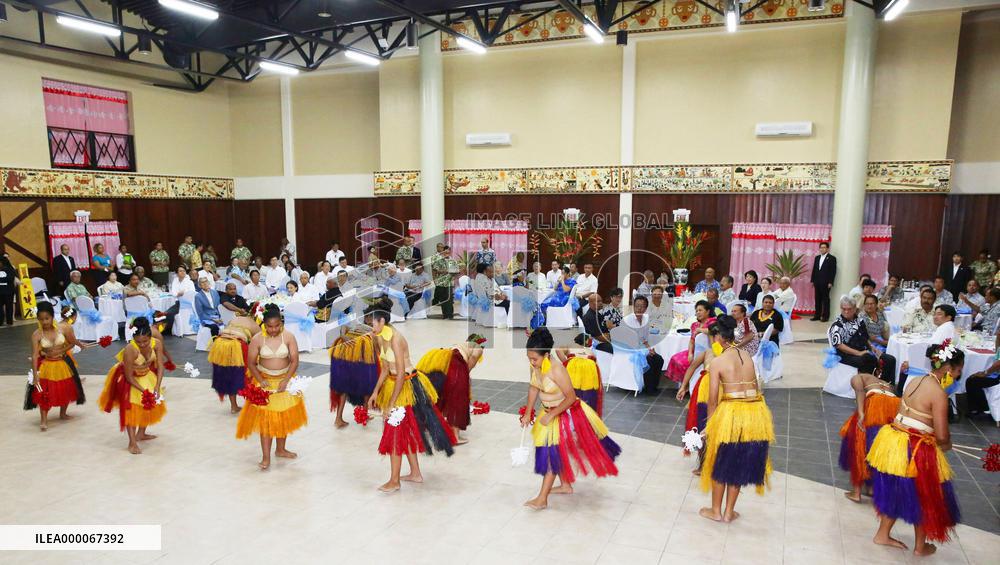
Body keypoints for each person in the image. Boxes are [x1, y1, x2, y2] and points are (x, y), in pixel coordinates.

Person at [867, 343, 963, 556]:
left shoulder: (915, 380)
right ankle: (920, 546)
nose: (958, 376)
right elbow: (942, 436)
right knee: (924, 494)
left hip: (894, 441)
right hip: (915, 447)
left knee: (897, 489)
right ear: (948, 369)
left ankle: (882, 534)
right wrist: (946, 444)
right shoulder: (938, 393)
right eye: (958, 371)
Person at [520, 327, 620, 510]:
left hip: (565, 414)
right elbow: (534, 387)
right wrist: (528, 412)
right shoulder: (535, 366)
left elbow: (571, 397)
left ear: (546, 355)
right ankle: (565, 485)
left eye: (534, 359)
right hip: (548, 412)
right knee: (554, 451)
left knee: (553, 455)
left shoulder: (557, 370)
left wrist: (552, 414)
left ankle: (542, 498)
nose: (532, 362)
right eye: (529, 358)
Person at [365, 299, 456, 492]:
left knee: (395, 432)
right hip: (393, 383)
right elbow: (385, 369)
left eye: (372, 324)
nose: (371, 328)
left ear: (382, 321)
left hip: (406, 385)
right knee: (402, 430)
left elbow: (400, 374)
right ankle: (415, 473)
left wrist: (391, 403)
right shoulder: (379, 337)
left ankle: (394, 481)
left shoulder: (396, 339)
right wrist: (375, 392)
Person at [699, 315, 775, 522]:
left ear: (718, 338)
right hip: (755, 413)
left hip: (731, 412)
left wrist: (709, 426)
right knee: (738, 461)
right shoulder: (747, 356)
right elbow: (756, 386)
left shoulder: (718, 362)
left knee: (721, 461)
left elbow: (712, 399)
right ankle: (728, 512)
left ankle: (716, 511)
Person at [237, 305, 306, 470]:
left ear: (281, 323)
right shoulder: (257, 339)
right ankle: (266, 457)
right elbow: (251, 363)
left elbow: (294, 360)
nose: (273, 329)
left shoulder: (288, 336)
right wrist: (260, 380)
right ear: (264, 325)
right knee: (266, 422)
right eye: (270, 326)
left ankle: (281, 449)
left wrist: (286, 380)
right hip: (265, 381)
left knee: (283, 416)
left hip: (285, 380)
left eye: (276, 326)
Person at [98, 317, 166, 454]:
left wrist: (157, 386)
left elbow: (160, 366)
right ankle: (132, 442)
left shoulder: (157, 344)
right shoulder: (130, 349)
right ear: (133, 338)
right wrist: (144, 391)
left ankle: (141, 433)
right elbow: (128, 376)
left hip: (146, 375)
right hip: (131, 380)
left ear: (150, 337)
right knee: (132, 410)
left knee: (148, 405)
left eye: (145, 341)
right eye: (138, 341)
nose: (142, 344)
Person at [25, 302, 90, 430]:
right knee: (44, 393)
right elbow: (35, 355)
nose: (44, 322)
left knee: (65, 389)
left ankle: (63, 413)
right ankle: (43, 420)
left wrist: (61, 350)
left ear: (52, 316)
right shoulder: (36, 334)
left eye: (47, 318)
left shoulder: (64, 328)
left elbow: (72, 343)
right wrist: (35, 374)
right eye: (41, 319)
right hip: (47, 366)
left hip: (62, 364)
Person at [838, 372, 899, 503]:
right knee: (878, 452)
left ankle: (856, 493)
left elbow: (860, 392)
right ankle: (871, 488)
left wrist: (861, 413)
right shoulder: (886, 384)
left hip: (874, 409)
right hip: (892, 412)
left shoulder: (858, 377)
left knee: (858, 446)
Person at [416, 334, 486, 444]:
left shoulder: (460, 345)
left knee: (439, 394)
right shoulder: (478, 348)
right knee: (458, 399)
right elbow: (469, 364)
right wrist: (463, 379)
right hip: (456, 363)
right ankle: (455, 436)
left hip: (441, 361)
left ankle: (425, 424)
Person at [829, 297, 897, 383]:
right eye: (844, 309)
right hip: (846, 354)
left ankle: (886, 385)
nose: (846, 312)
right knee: (868, 359)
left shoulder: (859, 320)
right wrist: (858, 353)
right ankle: (870, 384)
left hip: (864, 350)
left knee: (890, 359)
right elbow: (839, 345)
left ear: (854, 309)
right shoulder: (838, 324)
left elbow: (865, 338)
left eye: (849, 309)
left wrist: (873, 348)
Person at [328, 321, 379, 429]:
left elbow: (343, 326)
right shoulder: (372, 330)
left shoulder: (359, 326)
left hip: (343, 352)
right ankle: (363, 416)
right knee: (367, 384)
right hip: (356, 353)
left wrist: (343, 335)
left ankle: (339, 418)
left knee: (345, 387)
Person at [208, 312, 260, 413]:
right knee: (248, 374)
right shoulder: (254, 324)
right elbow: (259, 344)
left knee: (229, 375)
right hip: (237, 345)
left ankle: (234, 406)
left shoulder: (234, 320)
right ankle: (251, 404)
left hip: (219, 344)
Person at [624, 296, 666, 395]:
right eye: (637, 306)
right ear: (633, 307)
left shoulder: (646, 320)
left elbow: (645, 339)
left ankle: (654, 386)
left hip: (641, 348)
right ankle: (649, 389)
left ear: (646, 308)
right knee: (648, 360)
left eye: (642, 306)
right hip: (630, 349)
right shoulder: (627, 320)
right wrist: (644, 350)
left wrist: (649, 349)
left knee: (658, 359)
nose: (639, 309)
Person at [666, 300, 716, 384]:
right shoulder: (694, 325)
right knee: (675, 358)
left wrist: (700, 330)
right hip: (695, 350)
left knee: (684, 363)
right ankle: (685, 384)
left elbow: (713, 331)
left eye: (700, 310)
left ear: (707, 311)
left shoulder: (713, 321)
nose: (698, 312)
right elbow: (692, 341)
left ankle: (689, 384)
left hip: (709, 351)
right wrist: (690, 353)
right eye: (696, 311)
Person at [810, 241, 837, 322]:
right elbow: (814, 269)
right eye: (821, 247)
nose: (822, 249)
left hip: (826, 282)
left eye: (824, 247)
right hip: (817, 281)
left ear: (827, 249)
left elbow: (833, 271)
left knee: (825, 299)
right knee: (817, 299)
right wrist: (813, 280)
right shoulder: (817, 257)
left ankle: (825, 316)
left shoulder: (832, 258)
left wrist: (830, 282)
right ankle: (817, 315)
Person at [0, 255, 18, 325]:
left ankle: (9, 321)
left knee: (9, 307)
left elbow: (11, 278)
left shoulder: (10, 269)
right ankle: (1, 321)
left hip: (8, 291)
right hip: (2, 291)